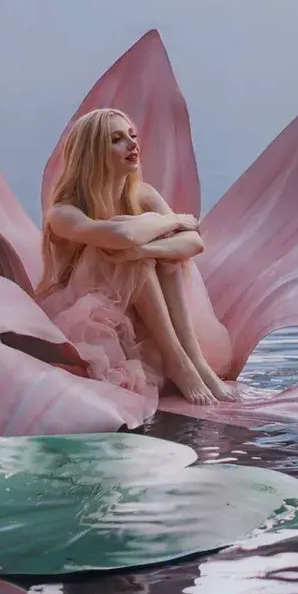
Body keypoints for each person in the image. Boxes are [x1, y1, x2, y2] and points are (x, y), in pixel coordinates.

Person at [37, 108, 236, 405]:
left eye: (132, 136)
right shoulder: (63, 212)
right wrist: (174, 220)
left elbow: (193, 242)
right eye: (117, 139)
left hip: (146, 312)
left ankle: (194, 359)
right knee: (124, 239)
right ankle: (178, 361)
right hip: (91, 315)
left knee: (164, 254)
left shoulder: (143, 195)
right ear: (91, 153)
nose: (132, 145)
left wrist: (146, 249)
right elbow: (123, 237)